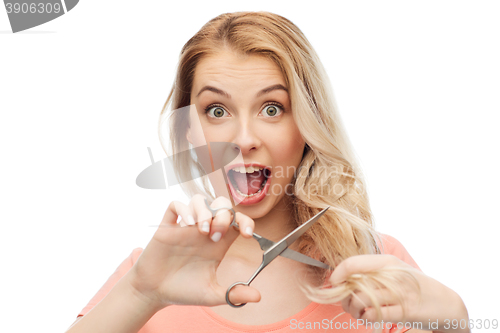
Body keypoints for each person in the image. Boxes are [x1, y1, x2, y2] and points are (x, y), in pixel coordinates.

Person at [66, 11, 469, 333]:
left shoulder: (373, 263)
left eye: (272, 108)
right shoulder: (152, 271)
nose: (243, 139)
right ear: (190, 130)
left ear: (307, 126)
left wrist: (454, 319)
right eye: (217, 111)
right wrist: (142, 293)